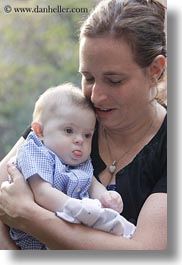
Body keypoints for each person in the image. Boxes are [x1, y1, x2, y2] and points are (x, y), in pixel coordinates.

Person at [0, 0, 167, 250]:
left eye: (114, 80)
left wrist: (30, 216)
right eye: (88, 77)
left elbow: (145, 252)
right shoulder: (71, 115)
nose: (96, 96)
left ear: (155, 69)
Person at [7, 83, 132, 249]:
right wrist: (78, 209)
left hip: (72, 233)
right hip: (37, 241)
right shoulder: (35, 153)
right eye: (68, 131)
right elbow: (42, 193)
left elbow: (93, 185)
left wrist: (107, 197)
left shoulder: (81, 162)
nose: (80, 140)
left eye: (87, 135)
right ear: (39, 131)